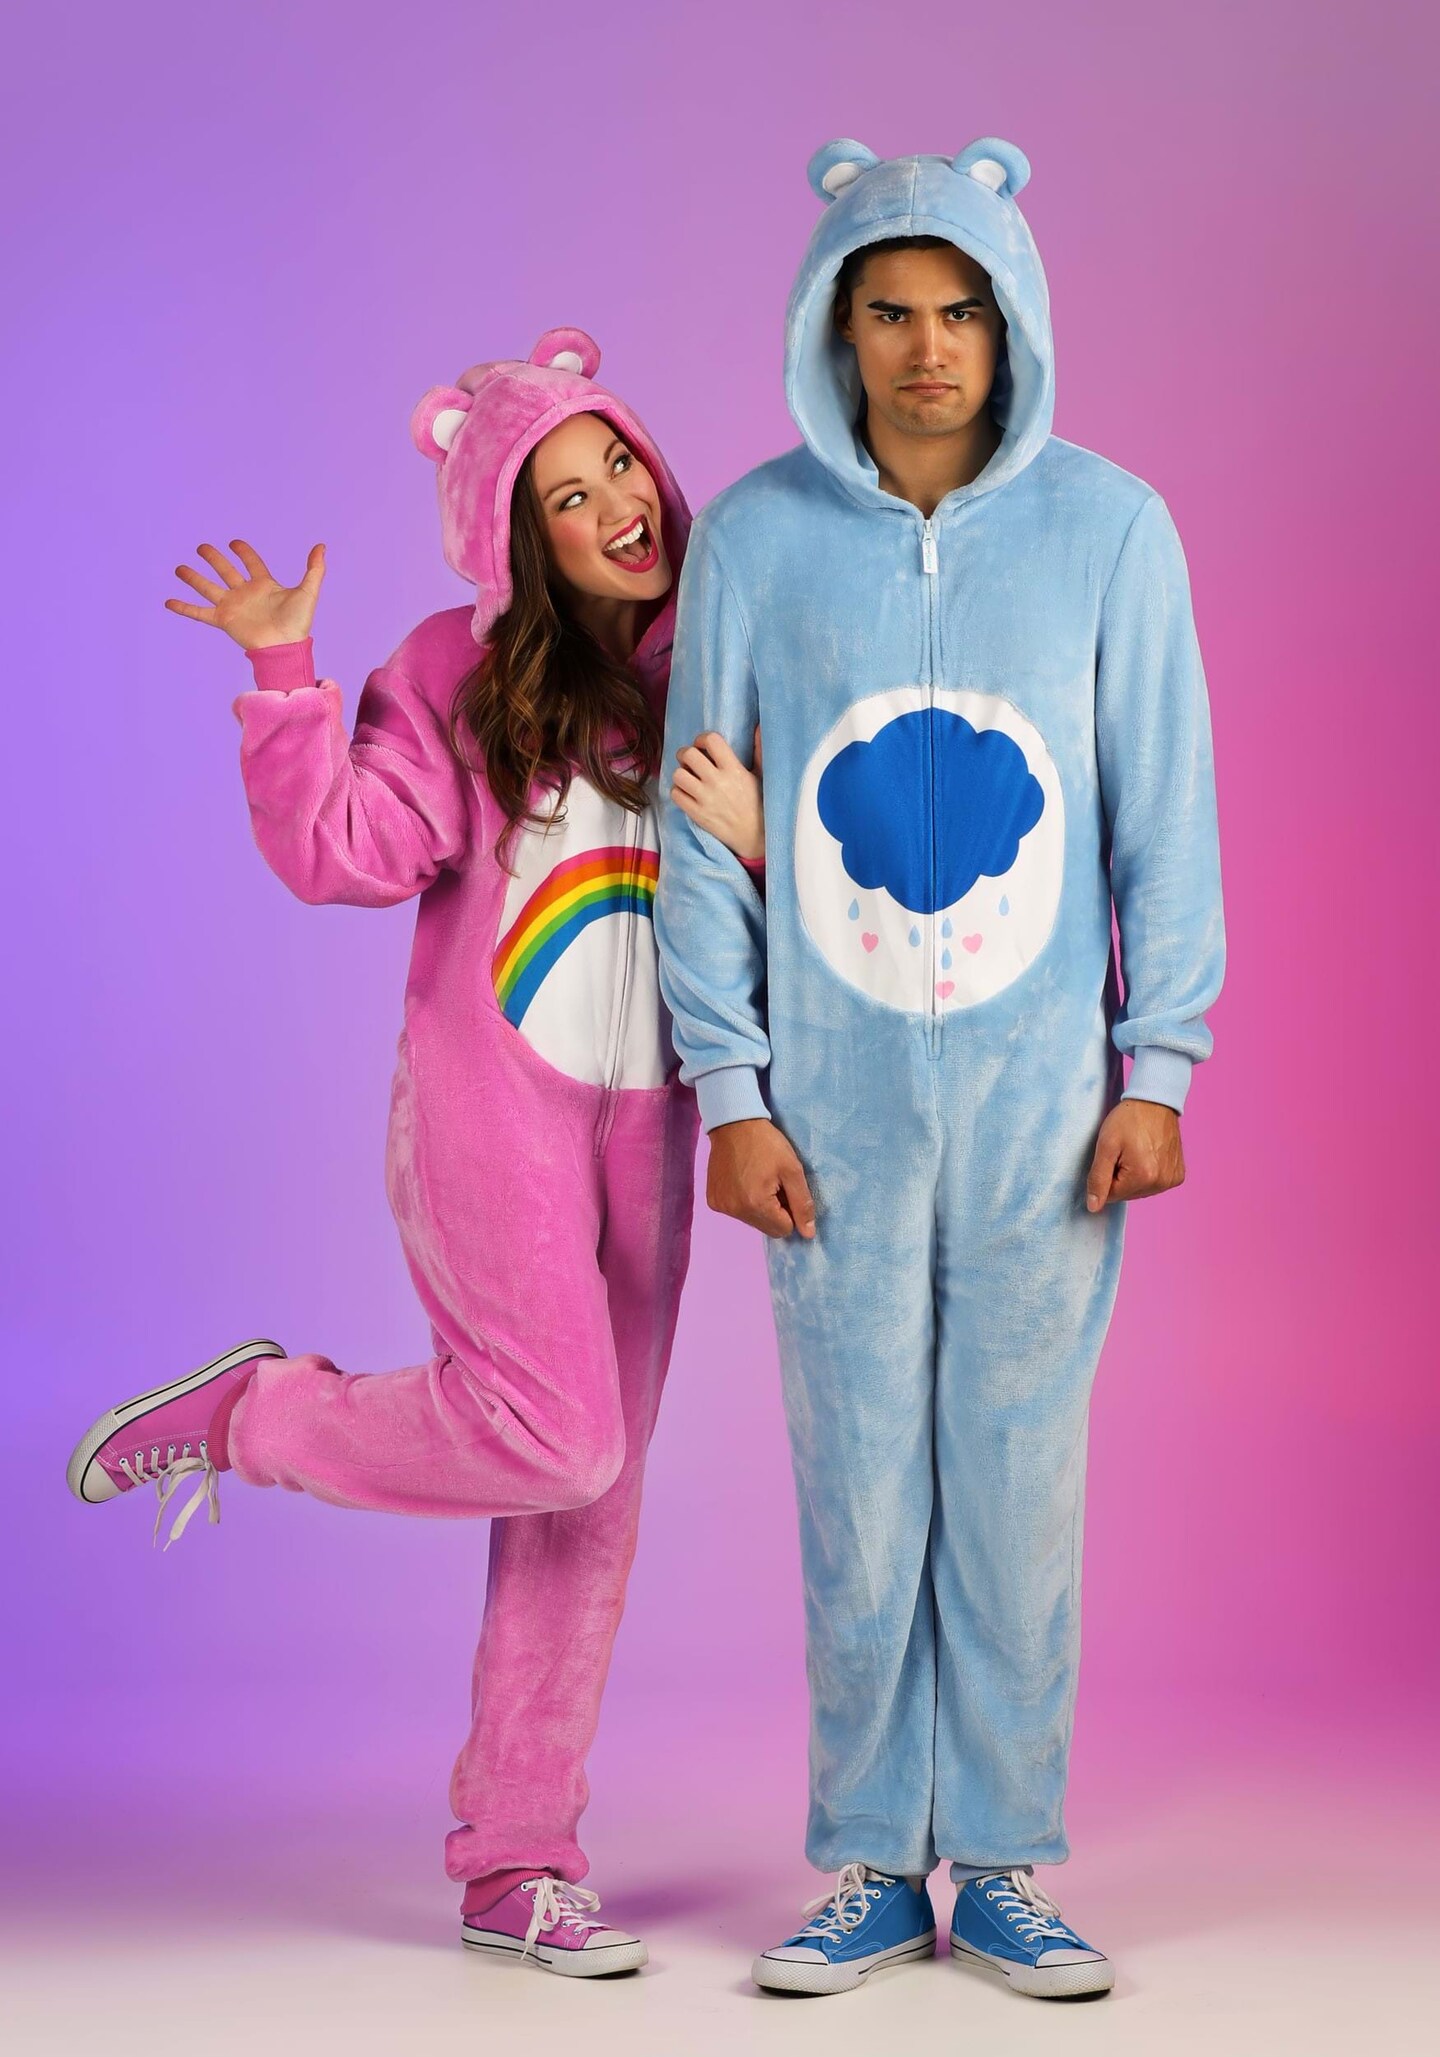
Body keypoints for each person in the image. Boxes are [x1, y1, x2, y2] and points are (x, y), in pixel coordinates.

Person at [65, 329, 763, 1978]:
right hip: (492, 1109)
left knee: (590, 1496)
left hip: (657, 1117)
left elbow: (797, 880)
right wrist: (285, 682)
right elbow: (346, 848)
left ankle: (516, 1859)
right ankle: (258, 1414)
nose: (618, 504)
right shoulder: (460, 665)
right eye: (568, 495)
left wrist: (757, 835)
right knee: (561, 1438)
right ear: (519, 539)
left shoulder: (728, 659)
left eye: (620, 463)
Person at [655, 139, 1225, 2001]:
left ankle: (1003, 1857)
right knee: (855, 1485)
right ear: (838, 327)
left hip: (1045, 1109)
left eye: (961, 311)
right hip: (823, 1114)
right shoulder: (755, 539)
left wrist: (1160, 1064)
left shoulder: (1111, 531)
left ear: (1011, 321)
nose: (927, 349)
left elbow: (1162, 817)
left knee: (1016, 1477)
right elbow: (697, 832)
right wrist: (732, 1091)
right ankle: (870, 1862)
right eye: (891, 312)